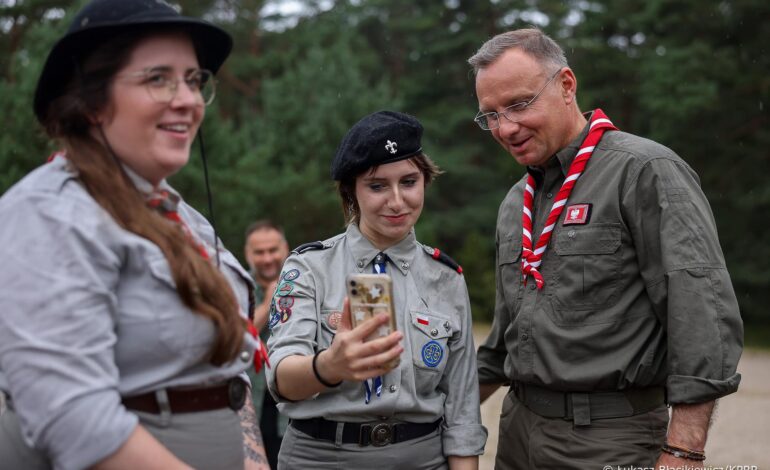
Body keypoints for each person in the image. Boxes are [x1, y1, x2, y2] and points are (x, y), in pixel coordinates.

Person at [0, 0, 269, 469]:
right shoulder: (48, 214)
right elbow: (72, 417)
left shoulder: (183, 218)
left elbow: (224, 369)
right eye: (158, 78)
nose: (186, 99)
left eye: (192, 79)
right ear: (90, 99)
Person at [468, 28, 743, 468]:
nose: (506, 127)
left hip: (609, 440)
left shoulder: (646, 172)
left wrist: (683, 451)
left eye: (519, 105)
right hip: (517, 433)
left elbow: (701, 312)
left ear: (566, 85)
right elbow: (506, 338)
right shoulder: (516, 200)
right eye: (491, 115)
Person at [265, 111, 487, 469]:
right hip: (322, 458)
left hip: (421, 460)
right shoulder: (307, 268)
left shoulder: (446, 277)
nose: (397, 201)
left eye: (409, 182)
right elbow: (281, 379)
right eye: (377, 185)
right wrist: (330, 366)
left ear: (425, 182)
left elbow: (461, 410)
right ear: (352, 191)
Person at [243, 220, 291, 469]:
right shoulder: (235, 287)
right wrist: (268, 302)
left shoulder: (304, 284)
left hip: (293, 406)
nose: (267, 258)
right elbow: (236, 337)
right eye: (259, 252)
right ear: (247, 254)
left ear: (286, 248)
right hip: (250, 404)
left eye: (273, 250)